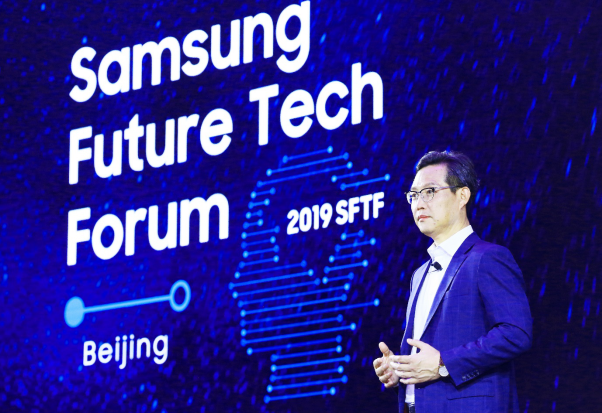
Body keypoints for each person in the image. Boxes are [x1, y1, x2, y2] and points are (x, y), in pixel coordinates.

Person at [373, 151, 532, 413]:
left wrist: (443, 364)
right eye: (414, 195)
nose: (419, 204)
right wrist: (400, 371)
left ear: (462, 196)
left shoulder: (488, 258)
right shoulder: (419, 275)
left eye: (429, 192)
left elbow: (516, 334)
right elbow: (426, 358)